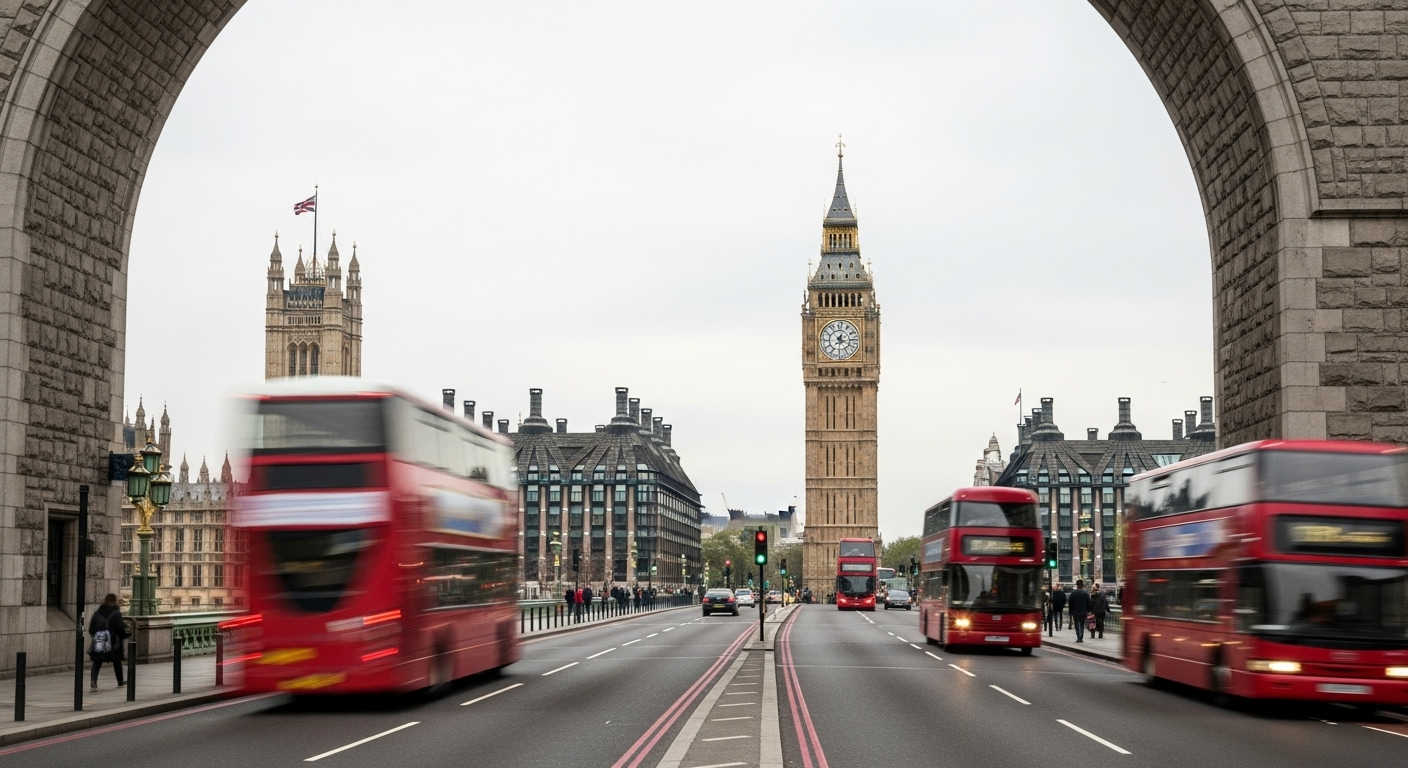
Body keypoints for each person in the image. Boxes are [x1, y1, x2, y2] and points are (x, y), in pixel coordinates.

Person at [88, 593, 127, 689]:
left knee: (97, 661)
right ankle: (120, 681)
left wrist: (97, 636)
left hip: (100, 641)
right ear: (114, 601)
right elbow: (121, 628)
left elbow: (91, 629)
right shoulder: (116, 613)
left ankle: (93, 681)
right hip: (113, 642)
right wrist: (124, 635)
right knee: (116, 661)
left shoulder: (98, 613)